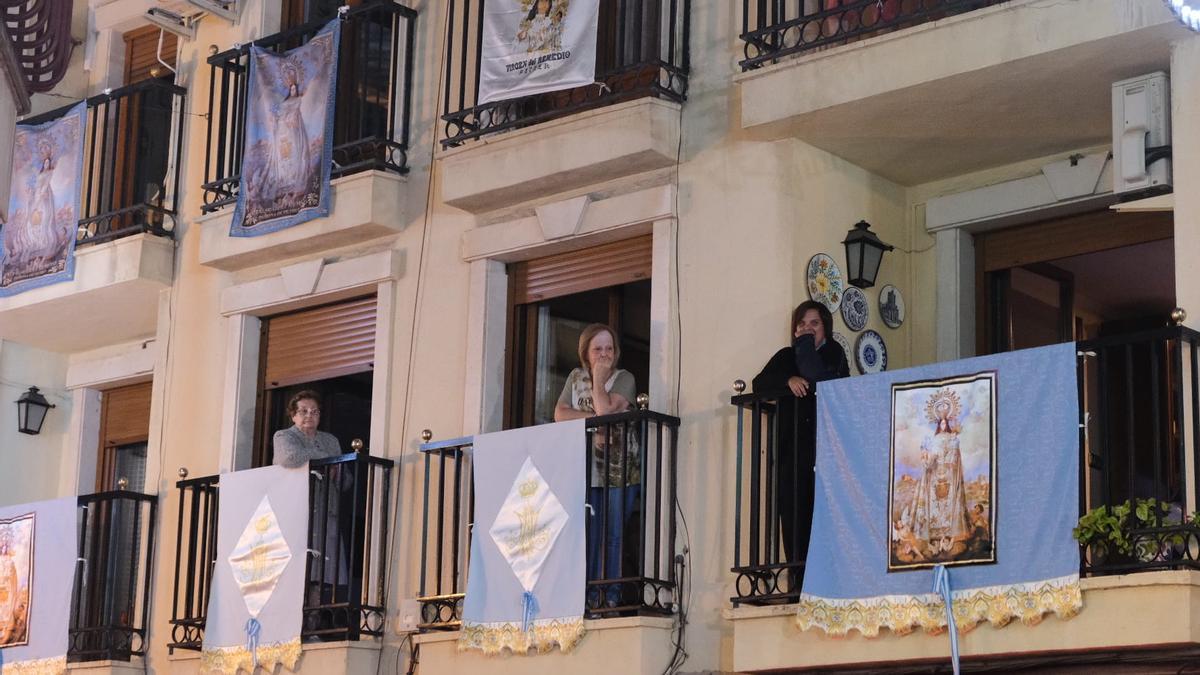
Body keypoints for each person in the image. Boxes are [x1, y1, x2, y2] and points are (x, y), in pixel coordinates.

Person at [752, 300, 849, 586]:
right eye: (801, 324)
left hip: (825, 451)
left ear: (826, 329)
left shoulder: (834, 353)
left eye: (814, 324)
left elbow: (817, 375)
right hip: (791, 450)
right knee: (793, 515)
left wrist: (804, 348)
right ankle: (798, 583)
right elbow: (760, 384)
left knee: (823, 515)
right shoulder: (785, 356)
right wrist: (788, 379)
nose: (806, 329)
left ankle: (826, 582)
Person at [554, 323, 638, 605]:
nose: (604, 354)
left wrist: (600, 381)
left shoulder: (624, 378)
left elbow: (605, 411)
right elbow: (559, 414)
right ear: (585, 353)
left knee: (612, 535)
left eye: (609, 348)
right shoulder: (575, 377)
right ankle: (586, 597)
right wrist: (594, 423)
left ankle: (609, 597)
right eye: (598, 349)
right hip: (584, 468)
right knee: (586, 533)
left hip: (620, 471)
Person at [907, 389, 970, 559]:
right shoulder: (933, 440)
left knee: (947, 503)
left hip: (948, 473)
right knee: (935, 503)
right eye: (940, 423)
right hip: (935, 475)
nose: (943, 425)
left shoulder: (952, 438)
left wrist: (952, 453)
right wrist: (926, 457)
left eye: (945, 423)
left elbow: (955, 455)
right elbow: (930, 459)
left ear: (947, 423)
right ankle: (935, 538)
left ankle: (948, 536)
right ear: (937, 425)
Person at [273, 390, 342, 469]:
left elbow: (345, 474)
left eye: (314, 411)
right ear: (293, 416)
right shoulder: (283, 435)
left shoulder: (331, 440)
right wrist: (327, 458)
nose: (309, 415)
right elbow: (289, 458)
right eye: (303, 411)